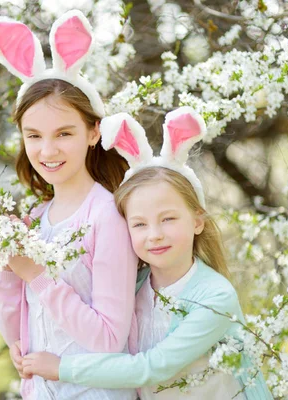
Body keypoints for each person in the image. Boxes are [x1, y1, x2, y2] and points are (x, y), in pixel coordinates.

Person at [22, 108, 273, 399]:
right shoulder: (137, 287)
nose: (154, 234)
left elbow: (151, 368)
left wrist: (63, 368)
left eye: (168, 219)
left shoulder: (215, 298)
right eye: (139, 224)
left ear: (197, 221)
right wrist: (23, 342)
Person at [0, 10, 139, 400]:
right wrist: (7, 267)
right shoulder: (37, 217)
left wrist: (36, 273)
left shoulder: (106, 215)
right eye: (34, 135)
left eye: (64, 133)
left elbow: (108, 338)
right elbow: (18, 334)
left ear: (92, 132)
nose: (47, 150)